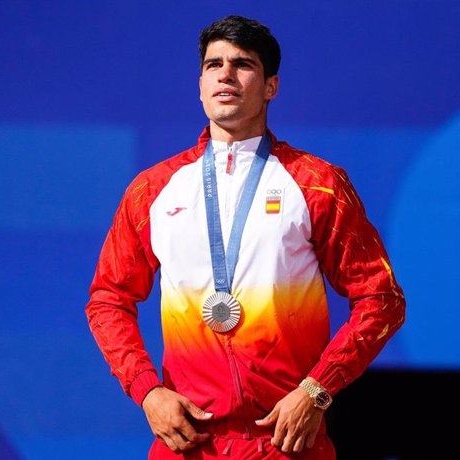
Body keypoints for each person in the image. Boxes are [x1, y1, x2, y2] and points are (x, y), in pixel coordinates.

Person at [85, 15, 405, 459]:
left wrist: (317, 390)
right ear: (200, 85)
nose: (226, 74)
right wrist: (146, 391)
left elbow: (381, 299)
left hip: (286, 442)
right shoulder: (153, 190)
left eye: (243, 64)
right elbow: (108, 299)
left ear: (271, 86)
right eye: (214, 64)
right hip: (188, 441)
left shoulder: (315, 183)